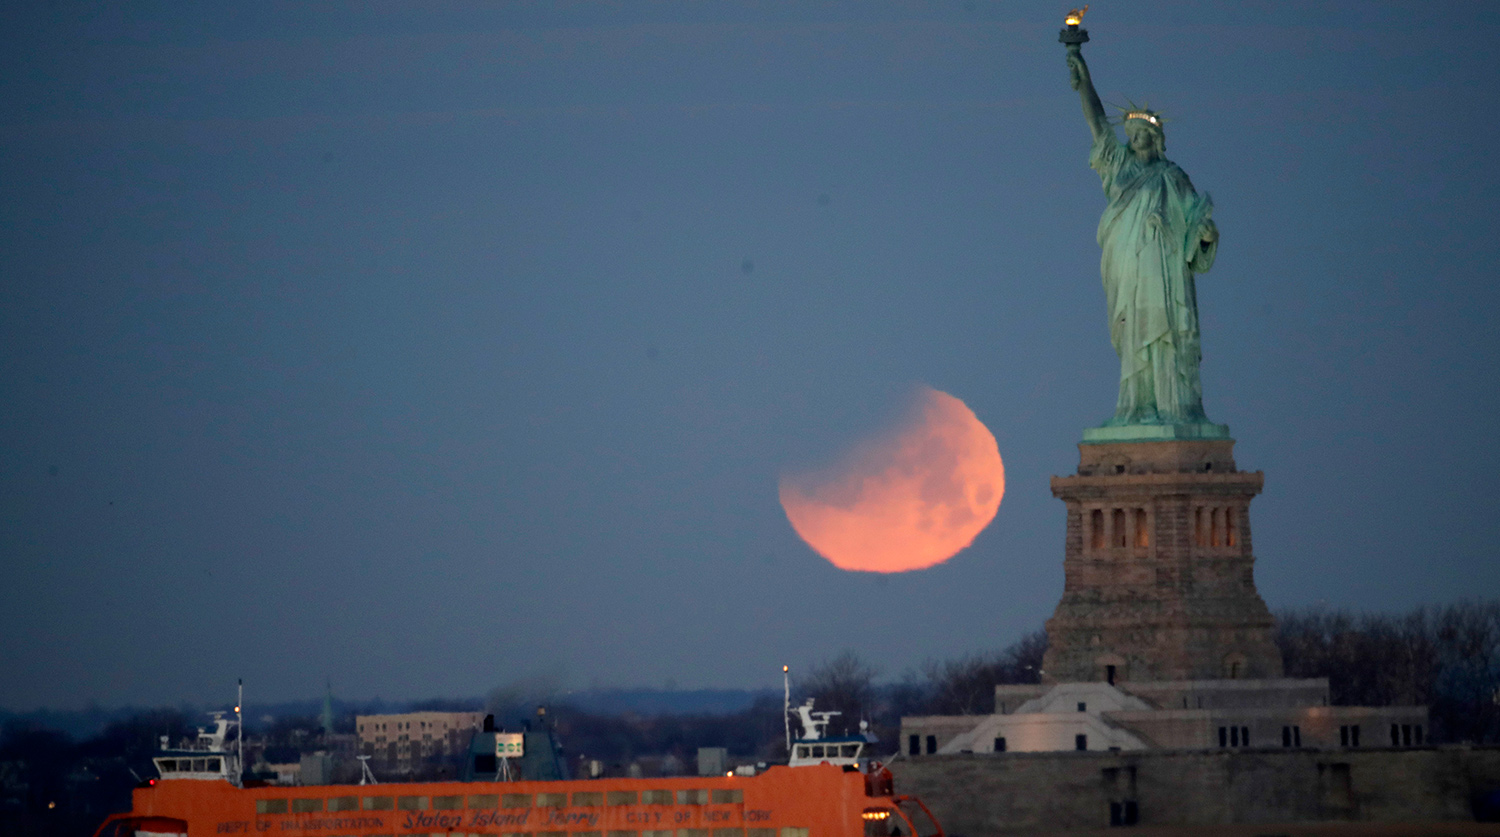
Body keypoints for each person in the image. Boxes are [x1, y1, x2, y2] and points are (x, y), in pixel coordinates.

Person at [1067, 48, 1219, 426]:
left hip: (1162, 266)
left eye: (1142, 134)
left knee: (1164, 330)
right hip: (1126, 262)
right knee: (1134, 330)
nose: (1134, 139)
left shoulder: (1173, 176)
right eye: (1131, 134)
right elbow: (1098, 124)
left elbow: (1196, 223)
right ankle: (1137, 405)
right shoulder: (1117, 166)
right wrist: (1084, 80)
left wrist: (1204, 235)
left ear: (1155, 138)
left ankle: (1172, 405)